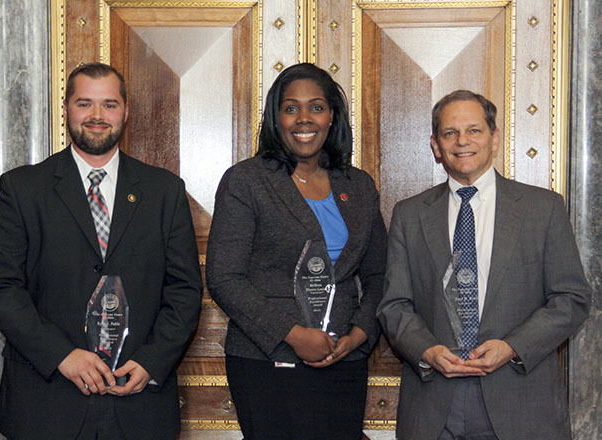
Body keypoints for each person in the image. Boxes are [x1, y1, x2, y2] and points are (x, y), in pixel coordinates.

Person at [0, 62, 202, 440]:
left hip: (138, 401)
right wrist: (61, 355)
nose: (97, 116)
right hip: (46, 402)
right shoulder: (23, 188)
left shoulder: (164, 191)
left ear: (126, 111)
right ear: (66, 109)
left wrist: (151, 360)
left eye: (109, 105)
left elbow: (184, 290)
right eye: (85, 103)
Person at [377, 90, 591, 440]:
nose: (462, 141)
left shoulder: (543, 208)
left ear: (495, 139)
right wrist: (427, 350)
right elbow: (394, 304)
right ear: (435, 145)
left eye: (474, 130)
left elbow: (572, 298)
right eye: (450, 133)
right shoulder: (410, 214)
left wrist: (511, 347)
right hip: (433, 404)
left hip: (519, 399)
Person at [206, 63, 387, 439]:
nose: (304, 118)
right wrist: (292, 335)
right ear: (277, 117)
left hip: (343, 359)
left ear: (332, 116)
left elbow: (378, 275)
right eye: (291, 108)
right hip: (267, 361)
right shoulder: (247, 180)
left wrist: (358, 335)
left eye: (316, 107)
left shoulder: (359, 185)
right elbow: (224, 278)